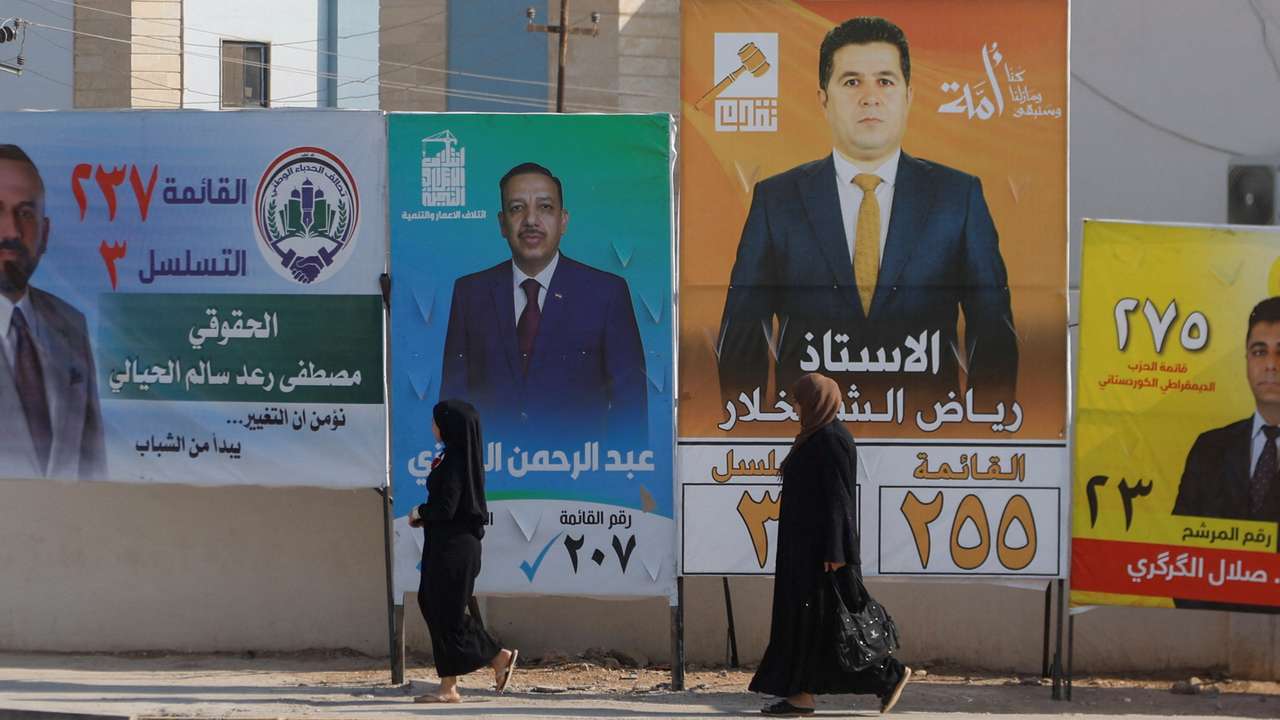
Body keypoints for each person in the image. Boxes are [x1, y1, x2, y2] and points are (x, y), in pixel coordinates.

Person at [717, 17, 1017, 414]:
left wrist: (985, 428)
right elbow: (742, 339)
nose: (870, 97)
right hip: (808, 432)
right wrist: (747, 430)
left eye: (885, 81)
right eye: (852, 82)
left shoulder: (957, 197)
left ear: (908, 95)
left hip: (928, 431)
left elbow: (993, 334)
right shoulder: (777, 200)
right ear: (823, 99)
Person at [440, 162, 648, 443]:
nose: (531, 220)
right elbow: (453, 404)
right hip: (491, 466)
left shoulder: (607, 293)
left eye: (545, 207)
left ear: (563, 220)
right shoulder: (470, 293)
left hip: (579, 466)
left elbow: (631, 409)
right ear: (502, 224)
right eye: (517, 208)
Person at [749, 373, 911, 715]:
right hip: (804, 551)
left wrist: (836, 551)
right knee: (808, 626)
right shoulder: (814, 437)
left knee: (833, 626)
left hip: (823, 554)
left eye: (799, 401)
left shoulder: (832, 439)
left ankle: (889, 675)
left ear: (816, 403)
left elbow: (839, 499)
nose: (795, 407)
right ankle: (802, 695)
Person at [0, 143, 106, 480]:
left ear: (45, 234)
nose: (11, 231)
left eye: (25, 213)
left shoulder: (71, 325)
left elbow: (93, 467)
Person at [407, 400, 518, 702]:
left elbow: (446, 507)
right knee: (436, 607)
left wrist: (420, 512)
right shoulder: (455, 457)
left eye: (436, 421)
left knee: (447, 611)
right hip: (446, 544)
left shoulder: (456, 461)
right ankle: (456, 682)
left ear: (449, 426)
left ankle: (491, 661)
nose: (433, 426)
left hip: (454, 549)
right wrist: (426, 518)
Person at [1174, 297, 1280, 522]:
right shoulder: (1209, 448)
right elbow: (1179, 534)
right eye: (1259, 352)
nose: (1271, 365)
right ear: (1247, 360)